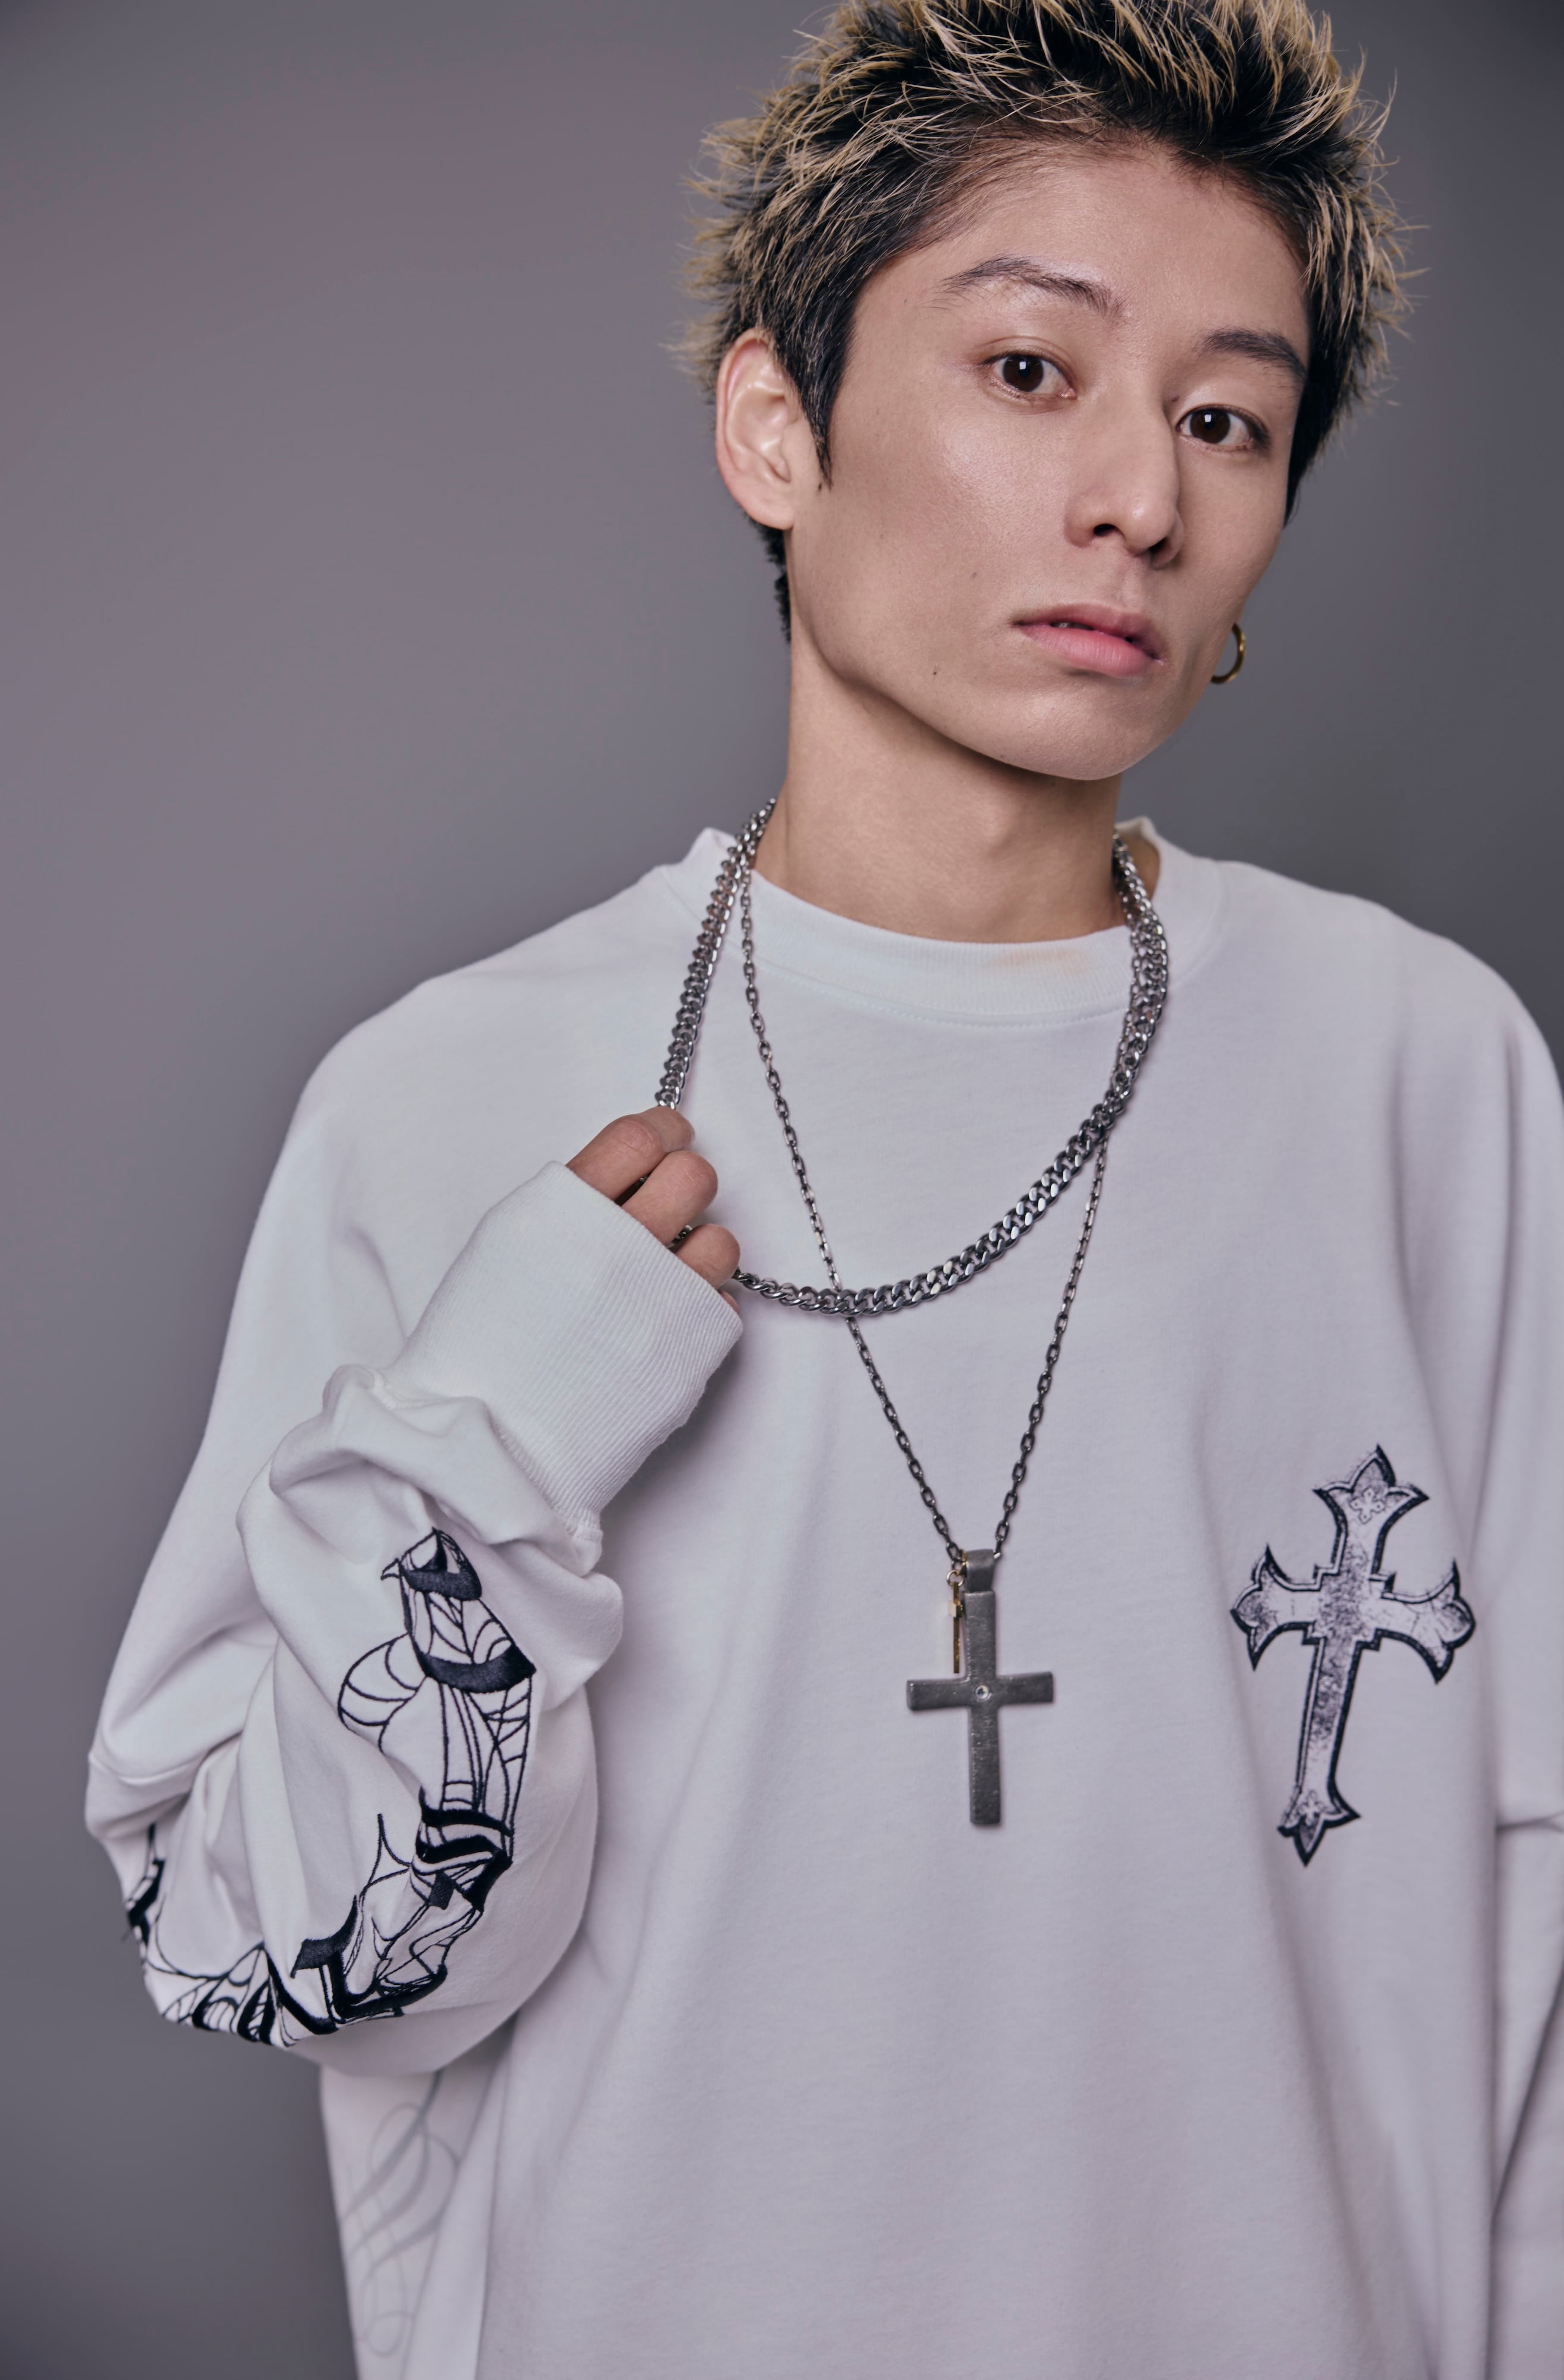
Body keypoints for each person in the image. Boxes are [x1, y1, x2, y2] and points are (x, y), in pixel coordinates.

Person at [88, 4, 1562, 2375]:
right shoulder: (448, 1098)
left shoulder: (1424, 1073)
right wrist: (488, 1437)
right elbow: (279, 1955)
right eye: (1028, 371)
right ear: (779, 428)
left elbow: (1536, 1914)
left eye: (1226, 418)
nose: (1140, 499)